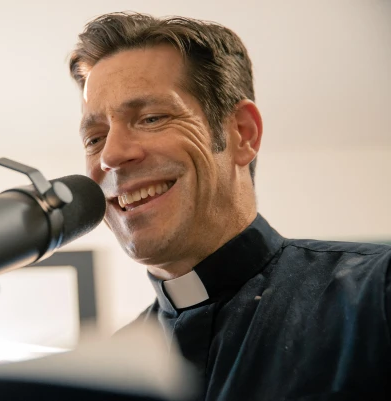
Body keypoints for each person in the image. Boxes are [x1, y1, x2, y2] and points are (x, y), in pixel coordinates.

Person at [68, 12, 391, 401]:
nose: (111, 157)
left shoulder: (376, 294)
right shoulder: (106, 379)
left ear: (242, 133)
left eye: (152, 118)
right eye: (95, 139)